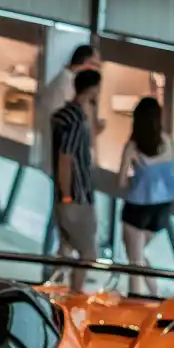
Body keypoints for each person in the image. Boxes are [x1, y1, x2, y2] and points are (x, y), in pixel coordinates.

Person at [117, 95, 174, 294]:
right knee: (137, 256)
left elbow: (121, 181)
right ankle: (154, 293)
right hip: (161, 210)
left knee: (134, 264)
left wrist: (137, 179)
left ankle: (136, 300)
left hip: (136, 209)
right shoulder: (168, 141)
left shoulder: (133, 147)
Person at [50, 50, 101, 291]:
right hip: (77, 194)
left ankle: (59, 292)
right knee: (88, 253)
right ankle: (75, 294)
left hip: (66, 193)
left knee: (65, 248)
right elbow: (66, 158)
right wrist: (68, 194)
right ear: (92, 90)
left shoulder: (63, 115)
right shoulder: (76, 119)